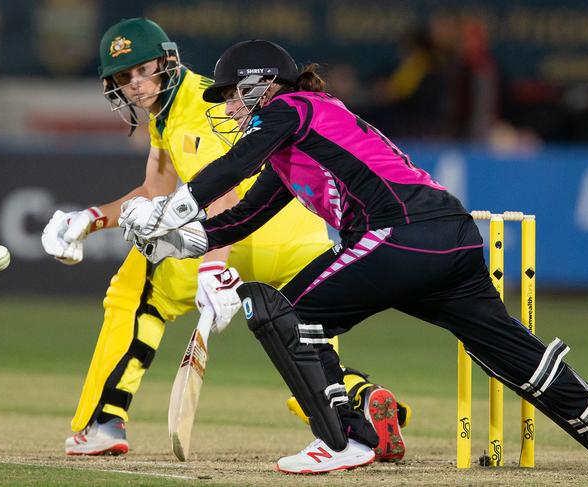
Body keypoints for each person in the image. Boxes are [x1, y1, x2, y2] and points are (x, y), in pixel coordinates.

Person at [118, 39, 588, 476]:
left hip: (402, 233)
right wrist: (170, 242)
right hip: (451, 235)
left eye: (230, 94)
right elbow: (245, 217)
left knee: (286, 310)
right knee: (503, 347)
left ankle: (345, 440)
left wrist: (168, 210)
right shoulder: (297, 137)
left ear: (260, 84)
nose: (227, 108)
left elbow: (231, 167)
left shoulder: (290, 108)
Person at [40, 18, 409, 460]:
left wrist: (214, 268)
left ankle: (102, 423)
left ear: (168, 61)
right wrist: (91, 218)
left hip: (242, 231)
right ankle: (361, 403)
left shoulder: (200, 105)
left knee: (135, 293)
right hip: (304, 239)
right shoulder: (176, 110)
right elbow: (155, 189)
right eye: (124, 77)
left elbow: (224, 193)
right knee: (304, 343)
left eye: (144, 70)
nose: (136, 85)